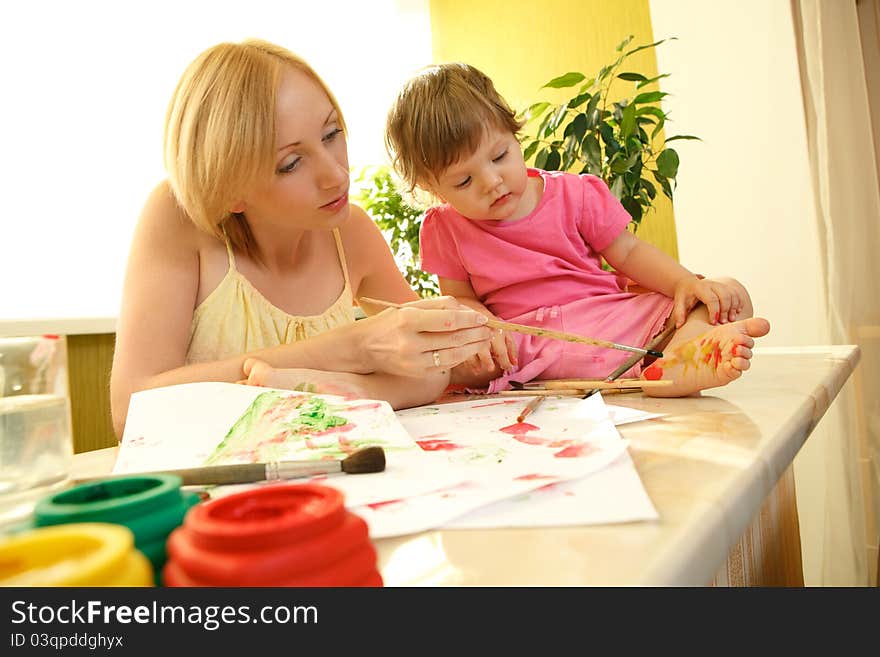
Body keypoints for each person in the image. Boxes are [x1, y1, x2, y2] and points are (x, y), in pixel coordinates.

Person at [109, 41, 494, 437]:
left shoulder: (350, 232)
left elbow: (433, 366)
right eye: (290, 164)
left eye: (331, 134)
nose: (336, 176)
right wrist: (348, 348)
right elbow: (130, 413)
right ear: (228, 190)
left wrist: (350, 389)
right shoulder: (177, 218)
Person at [382, 62, 771, 397]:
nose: (492, 182)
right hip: (524, 344)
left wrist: (685, 284)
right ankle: (670, 364)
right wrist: (486, 328)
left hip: (611, 323)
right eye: (464, 182)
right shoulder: (443, 228)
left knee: (726, 292)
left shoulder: (574, 193)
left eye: (500, 156)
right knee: (451, 357)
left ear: (514, 133)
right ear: (432, 189)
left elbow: (629, 253)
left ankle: (678, 359)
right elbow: (460, 300)